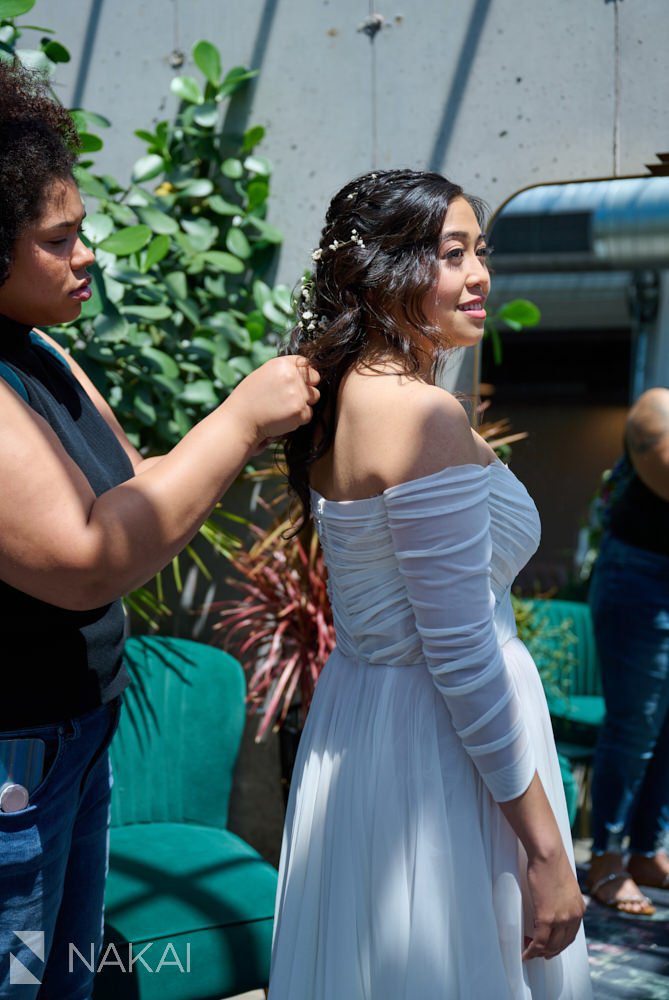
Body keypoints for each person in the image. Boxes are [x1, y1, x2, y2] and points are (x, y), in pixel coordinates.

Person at [0, 60, 319, 998]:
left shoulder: (41, 351)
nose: (87, 254)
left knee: (62, 979)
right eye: (59, 241)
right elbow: (87, 559)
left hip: (75, 733)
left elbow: (137, 493)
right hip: (15, 755)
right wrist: (238, 420)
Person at [269, 169, 592, 999]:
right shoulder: (418, 415)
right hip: (440, 757)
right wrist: (548, 851)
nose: (479, 274)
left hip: (369, 723)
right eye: (452, 254)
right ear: (381, 272)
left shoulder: (346, 396)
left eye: (480, 251)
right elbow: (460, 653)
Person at [586, 387, 669, 915]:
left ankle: (645, 851)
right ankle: (605, 860)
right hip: (641, 579)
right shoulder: (657, 405)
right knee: (634, 726)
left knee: (664, 729)